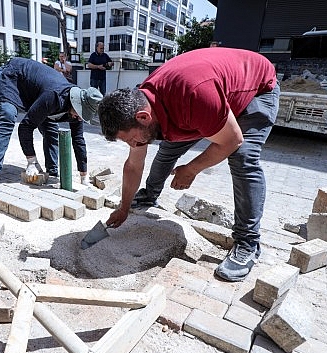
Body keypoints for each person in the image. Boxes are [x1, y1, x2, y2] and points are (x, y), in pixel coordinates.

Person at [97, 48, 280, 282]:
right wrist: (124, 207)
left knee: (243, 157)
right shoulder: (140, 106)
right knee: (168, 146)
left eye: (130, 139)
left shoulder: (194, 95)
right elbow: (133, 165)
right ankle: (150, 194)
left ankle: (247, 242)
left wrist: (191, 169)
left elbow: (232, 139)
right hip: (208, 96)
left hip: (255, 89)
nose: (133, 145)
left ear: (143, 117)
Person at [0, 57, 103, 197]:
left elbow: (78, 140)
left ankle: (51, 172)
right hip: (13, 77)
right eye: (81, 113)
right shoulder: (54, 96)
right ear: (76, 104)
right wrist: (31, 161)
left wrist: (84, 176)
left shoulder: (77, 109)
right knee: (8, 115)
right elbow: (25, 127)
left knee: (51, 128)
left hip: (37, 91)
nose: (80, 118)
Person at [54, 51, 91, 185]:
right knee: (51, 133)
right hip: (56, 101)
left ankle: (84, 175)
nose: (81, 119)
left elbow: (67, 70)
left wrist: (84, 174)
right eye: (61, 56)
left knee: (78, 138)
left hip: (69, 98)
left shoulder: (80, 108)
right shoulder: (56, 100)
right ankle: (52, 170)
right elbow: (57, 69)